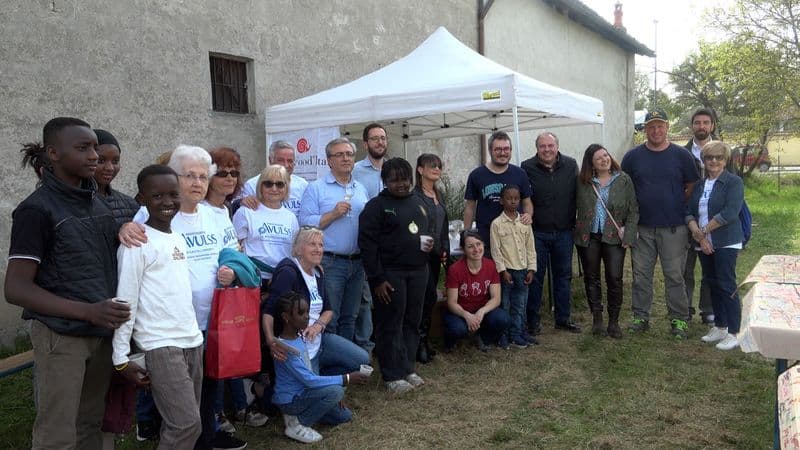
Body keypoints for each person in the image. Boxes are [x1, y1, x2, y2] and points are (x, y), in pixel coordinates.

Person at [5, 117, 130, 449]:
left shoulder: (97, 202)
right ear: (54, 153)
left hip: (101, 333)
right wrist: (89, 311)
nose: (94, 155)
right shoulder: (35, 210)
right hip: (61, 336)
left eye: (94, 146)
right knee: (57, 433)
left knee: (89, 423)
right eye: (83, 148)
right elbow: (16, 289)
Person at [120, 145, 245, 450]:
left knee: (206, 396)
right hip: (166, 330)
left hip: (210, 321)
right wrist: (123, 227)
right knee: (178, 408)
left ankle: (204, 441)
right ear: (173, 177)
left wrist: (232, 269)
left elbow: (235, 256)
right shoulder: (154, 213)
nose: (197, 182)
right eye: (189, 175)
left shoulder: (217, 215)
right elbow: (131, 242)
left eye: (203, 176)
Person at [113, 164, 204, 449]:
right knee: (185, 425)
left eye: (173, 194)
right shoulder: (136, 243)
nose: (167, 202)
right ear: (142, 199)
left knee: (185, 423)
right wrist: (120, 356)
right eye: (157, 196)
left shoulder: (176, 236)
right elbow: (125, 300)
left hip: (192, 340)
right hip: (161, 344)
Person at [204, 147, 268, 430]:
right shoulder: (200, 209)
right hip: (208, 298)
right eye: (222, 172)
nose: (229, 178)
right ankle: (217, 414)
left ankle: (237, 407)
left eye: (234, 172)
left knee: (229, 351)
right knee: (216, 356)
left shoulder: (227, 209)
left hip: (228, 295)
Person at [621, 109, 700, 339]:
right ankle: (640, 317)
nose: (656, 130)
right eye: (651, 126)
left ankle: (679, 320)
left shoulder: (681, 156)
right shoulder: (632, 157)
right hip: (642, 228)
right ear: (645, 129)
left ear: (667, 127)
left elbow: (691, 185)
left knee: (675, 275)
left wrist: (675, 203)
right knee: (641, 275)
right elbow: (625, 187)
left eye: (660, 126)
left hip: (674, 227)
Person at [359, 157, 433, 394]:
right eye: (394, 180)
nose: (401, 185)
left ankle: (408, 368)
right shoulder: (376, 207)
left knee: (412, 321)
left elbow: (424, 230)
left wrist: (429, 245)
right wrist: (377, 279)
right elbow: (367, 246)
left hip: (418, 272)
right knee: (391, 323)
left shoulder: (418, 202)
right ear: (385, 181)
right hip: (391, 275)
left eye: (405, 180)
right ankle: (391, 374)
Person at [262, 226, 369, 376]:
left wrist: (318, 326)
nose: (318, 249)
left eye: (321, 245)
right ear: (298, 249)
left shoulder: (318, 272)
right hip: (297, 345)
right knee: (328, 393)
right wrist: (270, 339)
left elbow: (328, 310)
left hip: (319, 340)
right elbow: (269, 310)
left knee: (361, 359)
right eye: (312, 244)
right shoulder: (289, 272)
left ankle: (323, 376)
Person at [272, 292, 369, 444]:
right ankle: (298, 424)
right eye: (301, 313)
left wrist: (331, 385)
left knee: (344, 416)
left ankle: (298, 417)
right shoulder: (286, 348)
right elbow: (309, 380)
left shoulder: (298, 337)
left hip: (303, 393)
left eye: (307, 312)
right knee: (336, 391)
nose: (307, 317)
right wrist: (347, 378)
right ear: (286, 317)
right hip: (291, 400)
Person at [299, 138, 368, 344]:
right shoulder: (316, 188)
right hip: (330, 262)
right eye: (340, 154)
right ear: (329, 161)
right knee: (331, 317)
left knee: (351, 317)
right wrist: (332, 214)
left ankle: (345, 363)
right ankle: (330, 364)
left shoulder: (360, 189)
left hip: (357, 262)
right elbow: (305, 223)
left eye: (349, 154)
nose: (346, 158)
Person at [574, 144, 639, 338]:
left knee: (614, 278)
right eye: (599, 158)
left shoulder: (623, 180)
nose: (604, 159)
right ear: (591, 164)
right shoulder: (583, 181)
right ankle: (597, 320)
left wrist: (629, 235)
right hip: (589, 236)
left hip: (613, 236)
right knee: (591, 277)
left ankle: (614, 322)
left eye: (606, 155)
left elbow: (633, 209)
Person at [686, 141, 745, 351]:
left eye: (718, 158)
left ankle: (734, 332)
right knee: (712, 283)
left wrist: (704, 232)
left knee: (726, 284)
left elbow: (730, 212)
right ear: (704, 160)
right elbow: (689, 212)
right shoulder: (701, 184)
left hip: (725, 241)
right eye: (709, 157)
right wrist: (700, 237)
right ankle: (720, 326)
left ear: (725, 160)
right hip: (704, 241)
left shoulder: (734, 182)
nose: (713, 161)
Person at [521, 132, 581, 334]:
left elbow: (579, 194)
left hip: (564, 232)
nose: (547, 149)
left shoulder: (571, 165)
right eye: (542, 146)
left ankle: (563, 319)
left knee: (563, 276)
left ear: (557, 146)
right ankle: (533, 321)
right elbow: (523, 197)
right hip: (537, 232)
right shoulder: (526, 167)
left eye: (550, 145)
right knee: (535, 277)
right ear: (537, 148)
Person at [349, 122, 389, 357]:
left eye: (383, 138)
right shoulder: (355, 171)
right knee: (365, 300)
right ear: (365, 144)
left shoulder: (394, 169)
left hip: (390, 247)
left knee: (387, 297)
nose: (380, 142)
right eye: (374, 138)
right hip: (366, 245)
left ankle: (385, 342)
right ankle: (365, 349)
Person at [463, 131, 533, 252]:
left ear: (510, 150)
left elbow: (527, 202)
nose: (503, 153)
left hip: (515, 237)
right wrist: (466, 233)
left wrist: (528, 215)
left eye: (506, 149)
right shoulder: (477, 175)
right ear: (490, 150)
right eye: (498, 149)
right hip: (487, 237)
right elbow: (470, 207)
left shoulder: (520, 174)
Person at [233, 165, 299, 290]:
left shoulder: (291, 218)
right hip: (252, 279)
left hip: (282, 280)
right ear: (260, 186)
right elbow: (235, 248)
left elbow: (293, 253)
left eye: (280, 184)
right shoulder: (246, 212)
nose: (274, 188)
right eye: (268, 184)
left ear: (286, 188)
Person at [443, 230, 510, 352]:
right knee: (457, 329)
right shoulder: (455, 269)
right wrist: (467, 315)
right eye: (470, 246)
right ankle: (451, 341)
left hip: (481, 311)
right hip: (460, 312)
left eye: (478, 244)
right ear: (463, 249)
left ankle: (482, 337)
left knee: (503, 319)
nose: (476, 249)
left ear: (483, 244)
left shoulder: (491, 265)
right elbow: (451, 303)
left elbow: (496, 298)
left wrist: (481, 312)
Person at [413, 153, 450, 363]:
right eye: (432, 166)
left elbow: (443, 224)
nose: (436, 169)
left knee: (430, 298)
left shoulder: (438, 193)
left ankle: (424, 340)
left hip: (436, 256)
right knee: (422, 298)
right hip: (421, 257)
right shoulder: (415, 197)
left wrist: (444, 245)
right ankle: (418, 343)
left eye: (439, 166)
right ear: (420, 169)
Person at [490, 184, 537, 348]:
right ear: (502, 201)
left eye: (516, 198)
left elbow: (531, 248)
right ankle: (503, 335)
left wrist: (531, 269)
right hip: (507, 272)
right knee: (505, 304)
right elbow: (496, 251)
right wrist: (502, 271)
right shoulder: (497, 224)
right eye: (509, 199)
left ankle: (517, 334)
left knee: (520, 305)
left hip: (523, 271)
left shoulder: (525, 222)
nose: (513, 202)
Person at [683, 109, 716, 324]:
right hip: (687, 217)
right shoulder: (682, 153)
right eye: (697, 122)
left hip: (714, 219)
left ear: (712, 125)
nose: (701, 126)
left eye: (705, 122)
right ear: (692, 126)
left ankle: (708, 310)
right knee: (685, 267)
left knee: (710, 268)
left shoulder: (723, 151)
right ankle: (684, 309)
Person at [241, 140, 308, 217]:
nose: (286, 165)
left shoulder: (303, 185)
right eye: (281, 160)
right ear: (270, 160)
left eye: (290, 161)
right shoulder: (252, 185)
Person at [92, 129, 140, 226]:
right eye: (100, 161)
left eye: (115, 161)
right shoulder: (75, 202)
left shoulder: (130, 204)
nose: (110, 168)